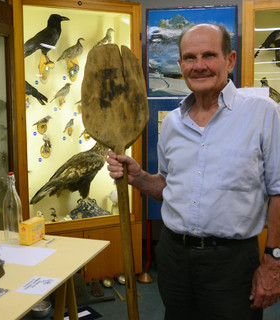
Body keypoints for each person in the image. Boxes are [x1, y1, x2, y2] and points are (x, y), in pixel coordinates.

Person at [107, 23, 280, 320]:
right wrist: (138, 178)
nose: (199, 66)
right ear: (180, 65)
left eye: (209, 56)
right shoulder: (172, 123)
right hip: (173, 259)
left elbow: (278, 192)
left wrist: (274, 263)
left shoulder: (262, 114)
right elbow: (168, 187)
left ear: (230, 60)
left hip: (232, 262)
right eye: (189, 58)